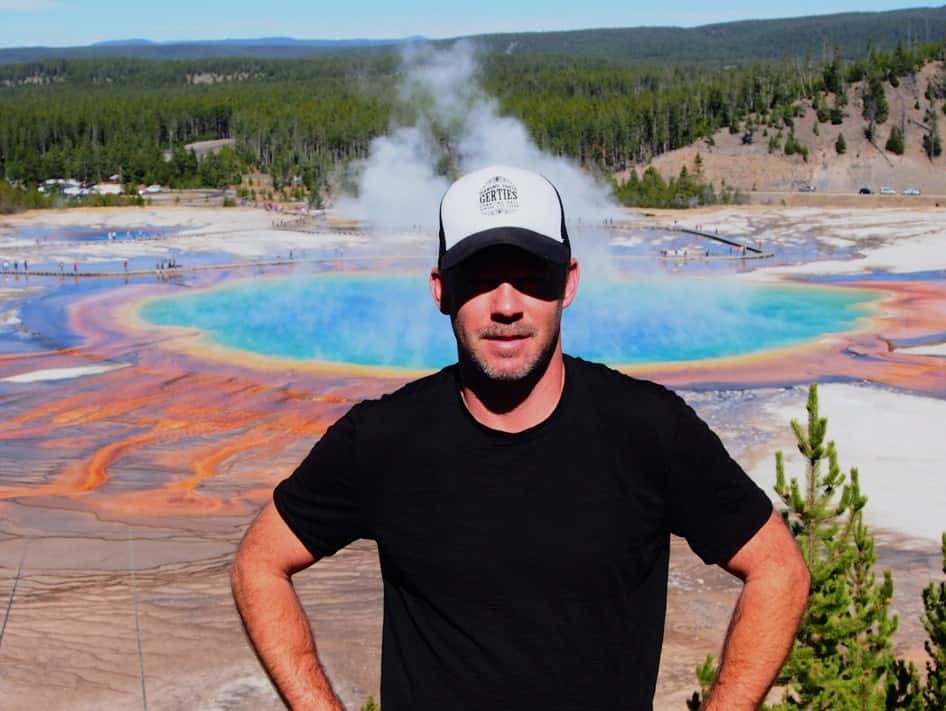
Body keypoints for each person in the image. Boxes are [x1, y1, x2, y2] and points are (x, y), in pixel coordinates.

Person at [231, 165, 809, 711]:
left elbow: (778, 569)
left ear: (569, 282)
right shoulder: (384, 440)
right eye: (480, 279)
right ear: (440, 290)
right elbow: (259, 564)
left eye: (530, 276)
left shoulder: (648, 430)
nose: (506, 305)